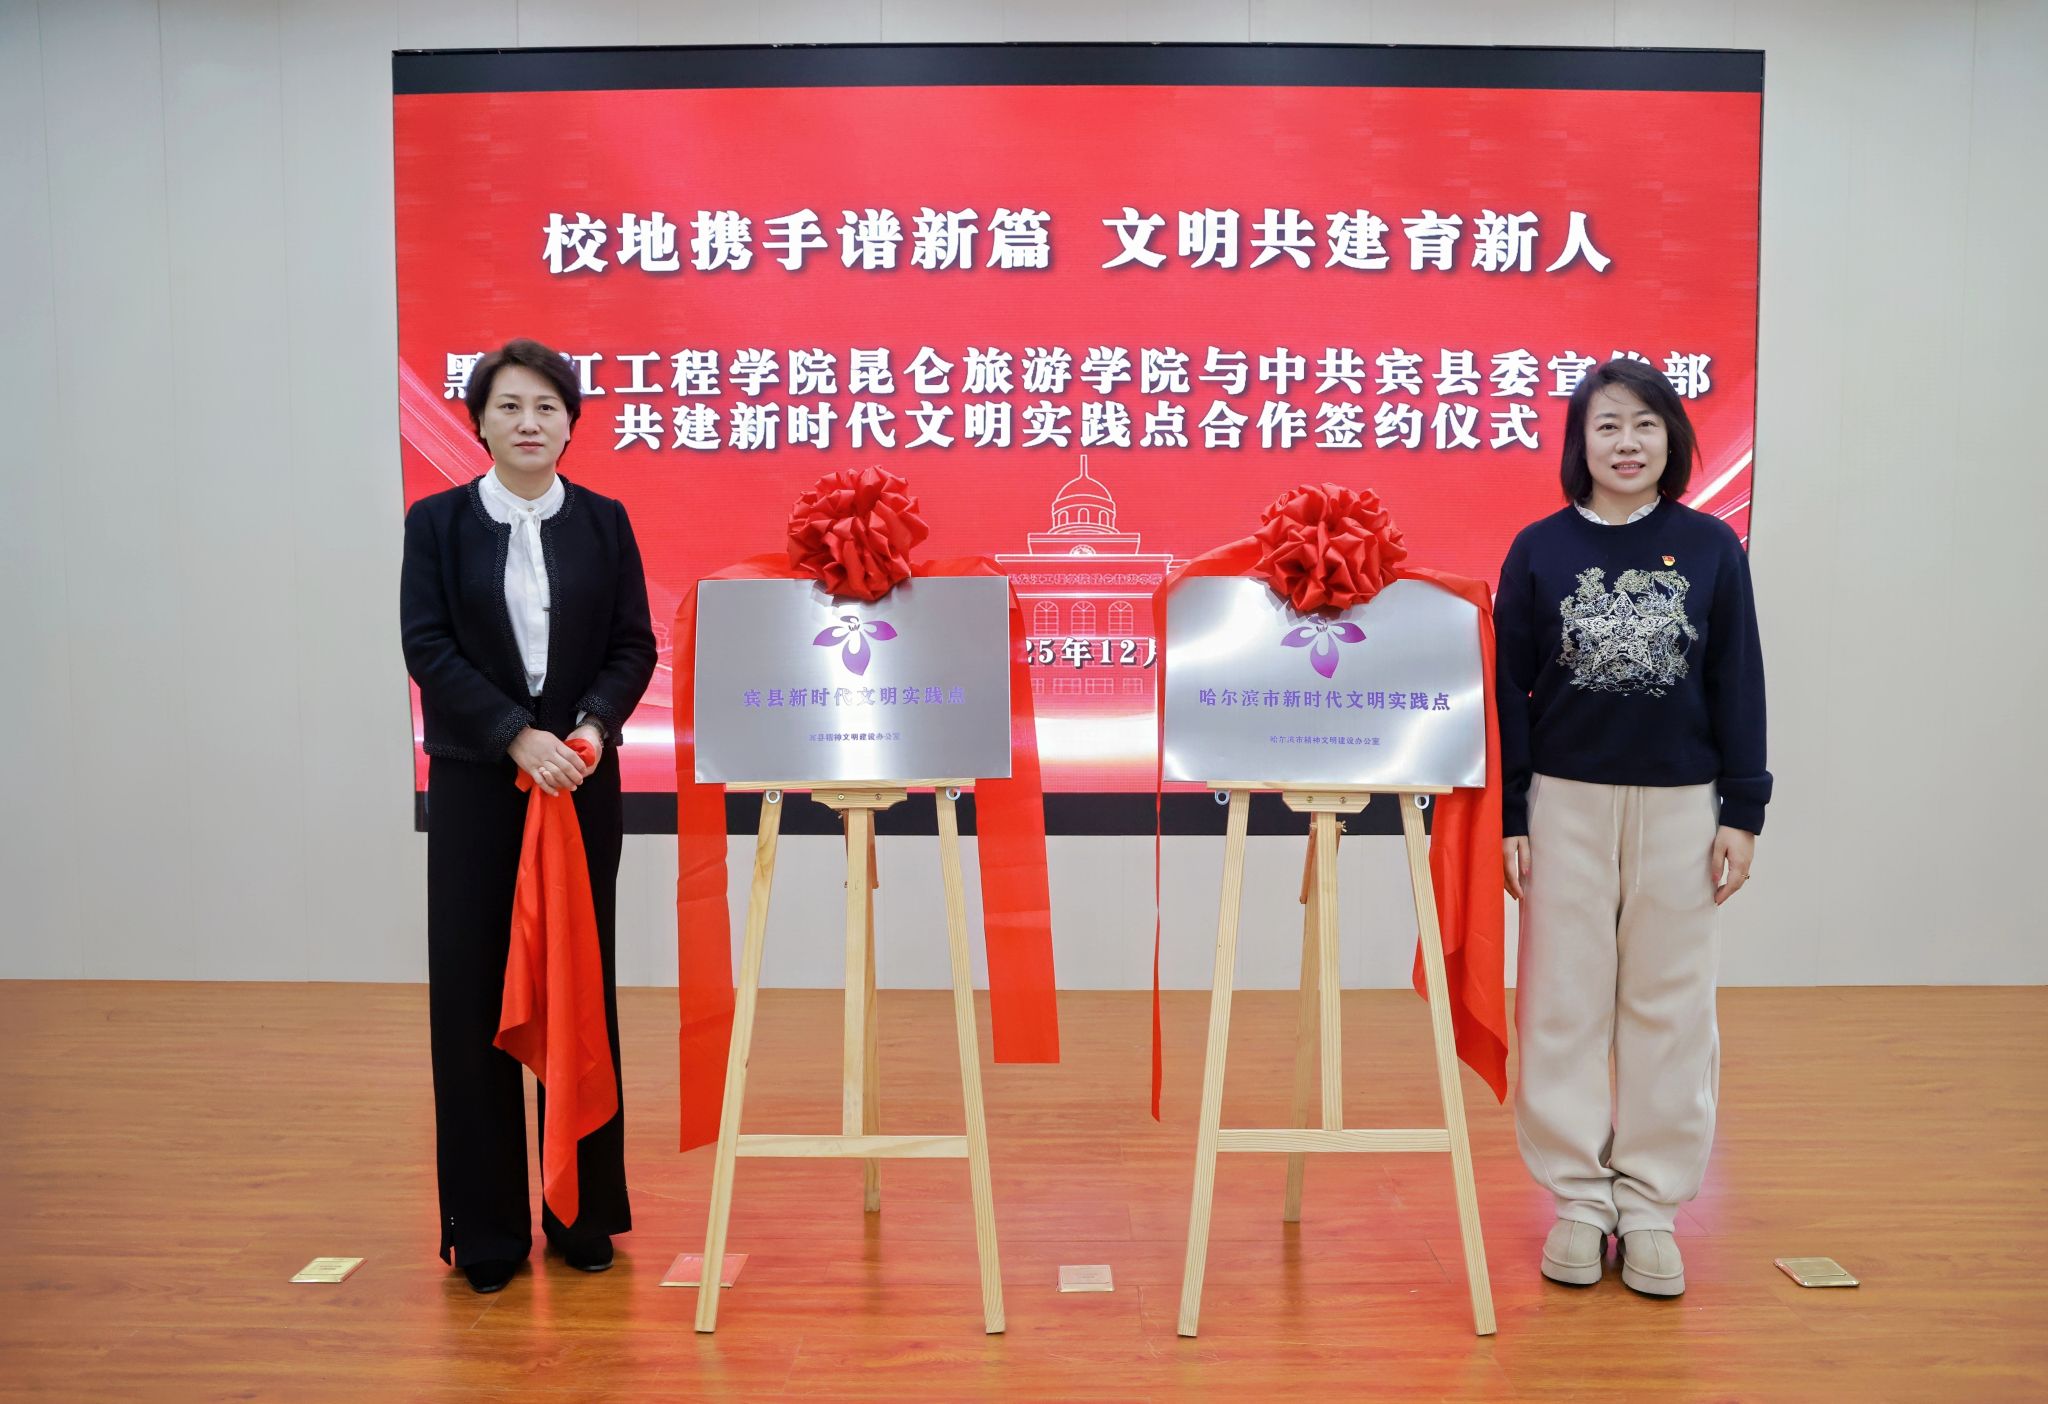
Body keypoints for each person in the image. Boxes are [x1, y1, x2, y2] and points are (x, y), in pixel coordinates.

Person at [1493, 357, 1770, 1298]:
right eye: (1606, 425)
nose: (1626, 443)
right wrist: (1511, 811)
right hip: (1564, 803)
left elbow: (1738, 681)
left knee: (1670, 1007)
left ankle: (1650, 1207)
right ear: (1580, 443)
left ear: (1673, 440)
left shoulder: (1709, 547)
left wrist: (1743, 809)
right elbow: (1510, 693)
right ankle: (1578, 1200)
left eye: (1645, 424)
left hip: (1682, 806)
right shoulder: (1539, 549)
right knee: (1562, 1003)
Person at [400, 338, 656, 1294]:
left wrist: (587, 729)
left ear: (571, 424)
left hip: (579, 785)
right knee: (472, 996)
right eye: (509, 406)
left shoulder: (605, 521)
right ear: (478, 421)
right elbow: (427, 646)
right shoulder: (437, 524)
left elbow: (633, 645)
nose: (528, 422)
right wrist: (515, 736)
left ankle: (582, 1214)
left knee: (577, 988)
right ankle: (488, 1230)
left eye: (547, 407)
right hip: (480, 785)